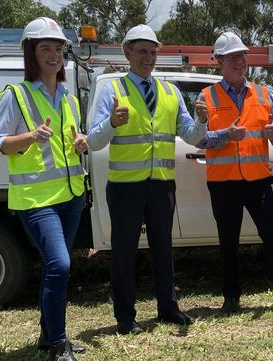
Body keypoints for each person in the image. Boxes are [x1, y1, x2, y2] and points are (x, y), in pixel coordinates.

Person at [87, 24, 205, 335]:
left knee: (163, 249)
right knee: (124, 252)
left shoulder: (170, 92)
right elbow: (94, 141)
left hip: (162, 185)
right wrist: (112, 122)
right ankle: (125, 318)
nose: (148, 58)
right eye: (142, 52)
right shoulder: (114, 91)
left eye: (153, 52)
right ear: (127, 53)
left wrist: (203, 120)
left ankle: (168, 308)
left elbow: (191, 135)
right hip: (126, 187)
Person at [0, 17, 87, 361]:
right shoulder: (16, 95)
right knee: (60, 264)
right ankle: (60, 347)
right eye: (46, 48)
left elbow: (72, 141)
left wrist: (81, 142)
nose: (54, 55)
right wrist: (30, 137)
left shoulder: (68, 96)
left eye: (58, 49)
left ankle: (49, 336)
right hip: (35, 200)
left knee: (54, 266)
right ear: (31, 53)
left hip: (72, 196)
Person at [193, 32, 273, 315]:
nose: (239, 61)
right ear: (219, 61)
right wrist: (225, 135)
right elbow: (198, 139)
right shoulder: (206, 97)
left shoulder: (262, 94)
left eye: (242, 56)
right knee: (228, 243)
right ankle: (231, 298)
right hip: (223, 184)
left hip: (258, 180)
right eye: (232, 57)